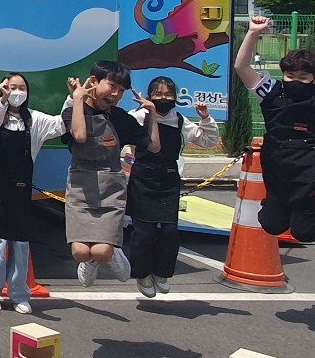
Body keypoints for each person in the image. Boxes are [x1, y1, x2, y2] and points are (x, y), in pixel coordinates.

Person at [62, 60, 160, 286]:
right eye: (112, 86)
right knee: (80, 252)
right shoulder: (72, 112)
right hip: (80, 188)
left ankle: (111, 252)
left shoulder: (119, 118)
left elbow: (154, 146)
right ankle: (92, 260)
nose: (116, 94)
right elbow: (80, 136)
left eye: (121, 90)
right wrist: (78, 99)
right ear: (93, 82)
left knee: (101, 252)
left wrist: (152, 114)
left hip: (111, 190)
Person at [0, 73, 66, 315]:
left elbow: (61, 124)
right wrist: (2, 99)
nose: (17, 92)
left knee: (20, 242)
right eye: (11, 87)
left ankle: (19, 293)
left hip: (21, 187)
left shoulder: (34, 119)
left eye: (21, 87)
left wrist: (73, 99)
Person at [127, 77, 220, 296]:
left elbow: (207, 140)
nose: (164, 98)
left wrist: (205, 118)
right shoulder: (138, 117)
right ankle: (142, 274)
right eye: (158, 94)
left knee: (170, 232)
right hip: (142, 179)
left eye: (168, 94)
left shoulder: (180, 121)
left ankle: (162, 273)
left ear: (176, 98)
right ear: (149, 96)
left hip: (168, 180)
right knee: (144, 232)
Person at [233, 16, 315, 243]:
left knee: (304, 232)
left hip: (308, 173)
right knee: (271, 223)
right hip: (277, 170)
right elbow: (241, 67)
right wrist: (253, 32)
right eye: (290, 76)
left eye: (303, 77)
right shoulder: (272, 93)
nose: (295, 81)